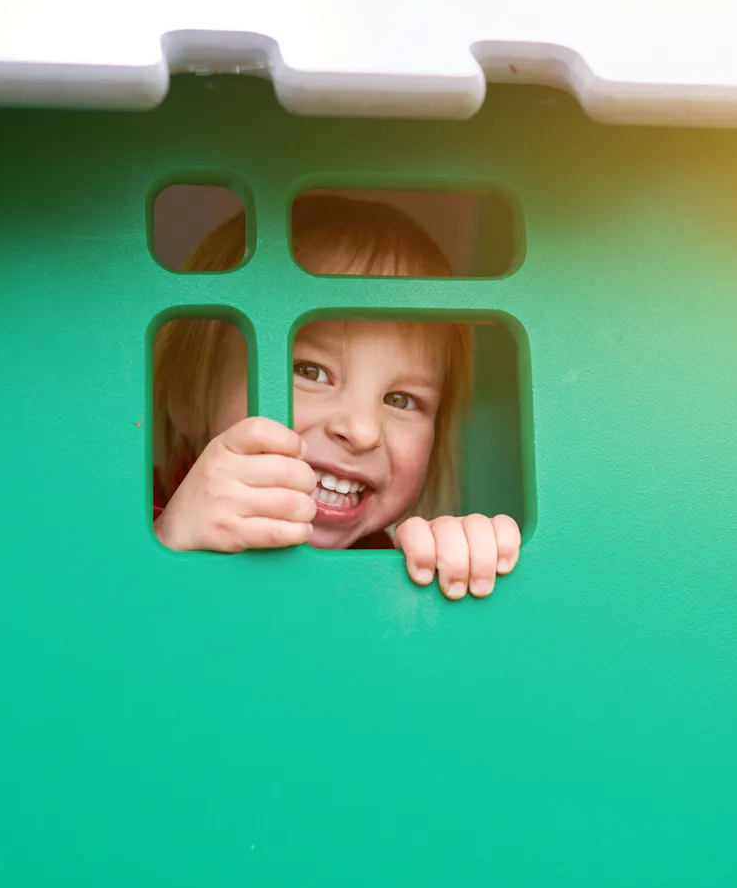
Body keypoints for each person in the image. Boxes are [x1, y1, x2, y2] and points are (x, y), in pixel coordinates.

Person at [152, 194, 520, 599]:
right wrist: (168, 544)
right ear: (188, 393)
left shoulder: (390, 563)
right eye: (311, 372)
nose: (362, 432)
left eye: (401, 399)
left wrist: (456, 564)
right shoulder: (128, 519)